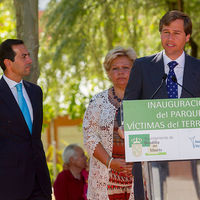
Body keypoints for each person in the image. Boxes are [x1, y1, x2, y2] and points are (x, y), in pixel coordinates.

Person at [122, 10, 200, 200]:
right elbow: (127, 106)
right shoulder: (142, 66)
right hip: (152, 160)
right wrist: (124, 125)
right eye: (165, 32)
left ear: (187, 37)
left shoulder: (199, 69)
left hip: (193, 162)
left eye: (176, 33)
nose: (169, 37)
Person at [83, 46, 137, 200]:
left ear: (134, 71)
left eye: (126, 68)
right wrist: (111, 162)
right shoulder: (98, 102)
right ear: (108, 73)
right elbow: (90, 138)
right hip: (106, 180)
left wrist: (139, 162)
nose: (121, 72)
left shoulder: (144, 100)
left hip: (138, 179)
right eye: (115, 68)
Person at [0, 39, 52, 200]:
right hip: (9, 186)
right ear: (8, 63)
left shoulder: (36, 92)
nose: (29, 60)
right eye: (24, 56)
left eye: (29, 55)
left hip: (40, 183)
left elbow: (34, 138)